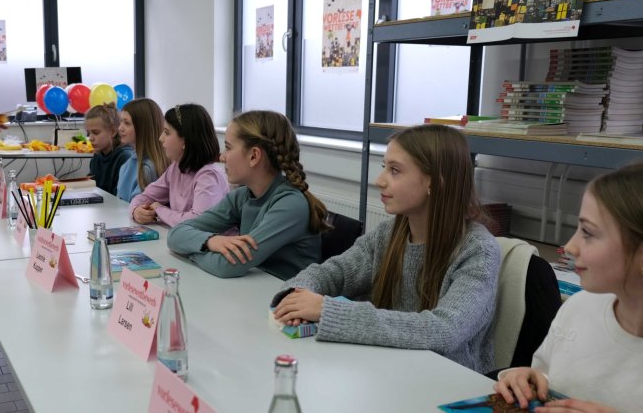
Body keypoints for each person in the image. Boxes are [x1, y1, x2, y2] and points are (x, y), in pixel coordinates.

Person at [271, 124, 501, 374]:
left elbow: (444, 331)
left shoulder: (478, 251)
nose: (380, 181)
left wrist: (327, 311)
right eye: (384, 168)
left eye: (395, 170)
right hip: (387, 369)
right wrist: (295, 296)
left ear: (435, 183)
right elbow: (336, 272)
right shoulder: (389, 233)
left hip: (445, 382)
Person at [494, 163, 643, 413]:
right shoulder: (579, 307)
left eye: (588, 232)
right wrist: (525, 378)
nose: (570, 247)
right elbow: (547, 376)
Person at [167, 110, 326, 280]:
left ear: (254, 156)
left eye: (228, 147)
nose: (222, 156)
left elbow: (227, 265)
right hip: (251, 291)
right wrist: (209, 242)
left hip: (281, 299)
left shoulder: (291, 205)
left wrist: (192, 250)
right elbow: (175, 234)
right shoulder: (242, 195)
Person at [129, 104, 229, 227]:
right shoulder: (176, 168)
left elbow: (197, 222)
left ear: (185, 140)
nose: (161, 138)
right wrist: (136, 211)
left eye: (167, 132)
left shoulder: (208, 176)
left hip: (211, 245)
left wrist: (160, 210)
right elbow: (146, 196)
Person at [116, 98, 168, 202]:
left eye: (127, 123)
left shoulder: (147, 169)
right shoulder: (127, 164)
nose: (120, 128)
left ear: (143, 127)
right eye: (120, 122)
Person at [86, 103, 133, 195]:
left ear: (113, 131)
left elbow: (119, 197)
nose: (90, 138)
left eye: (96, 132)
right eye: (88, 133)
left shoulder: (125, 157)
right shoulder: (97, 156)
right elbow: (90, 187)